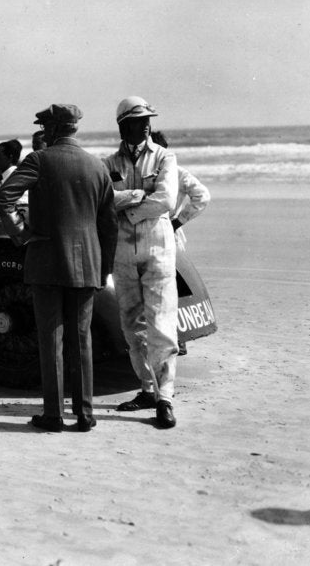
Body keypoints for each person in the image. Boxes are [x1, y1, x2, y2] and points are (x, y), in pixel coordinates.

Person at [0, 105, 117, 433]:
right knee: (82, 340)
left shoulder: (39, 160)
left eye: (44, 127)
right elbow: (109, 225)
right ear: (74, 128)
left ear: (51, 129)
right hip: (87, 265)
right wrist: (104, 267)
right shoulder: (98, 166)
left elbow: (4, 196)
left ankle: (54, 415)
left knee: (52, 339)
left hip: (47, 261)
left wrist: (21, 234)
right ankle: (85, 414)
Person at [102, 97, 180, 429]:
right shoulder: (107, 163)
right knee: (131, 326)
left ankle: (165, 398)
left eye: (148, 118)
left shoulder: (165, 157)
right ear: (123, 126)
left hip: (157, 249)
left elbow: (166, 200)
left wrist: (128, 205)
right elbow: (103, 200)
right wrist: (137, 196)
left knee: (162, 324)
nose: (145, 124)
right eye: (138, 120)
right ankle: (147, 389)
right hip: (123, 252)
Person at [150, 130, 211, 356]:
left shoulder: (176, 172)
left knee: (169, 288)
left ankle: (177, 339)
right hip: (163, 233)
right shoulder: (173, 172)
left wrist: (178, 221)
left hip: (168, 233)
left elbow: (203, 196)